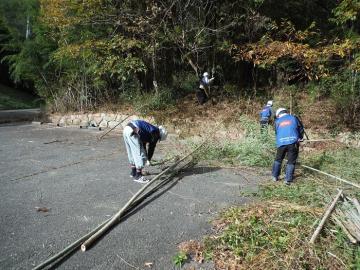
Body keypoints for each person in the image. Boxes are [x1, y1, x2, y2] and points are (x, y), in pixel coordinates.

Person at [272, 108, 304, 185]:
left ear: (278, 114)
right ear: (286, 112)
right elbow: (301, 128)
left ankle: (275, 176)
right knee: (291, 161)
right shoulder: (294, 118)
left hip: (281, 142)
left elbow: (277, 132)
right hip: (293, 142)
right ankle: (288, 180)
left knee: (278, 159)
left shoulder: (277, 121)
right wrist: (300, 138)